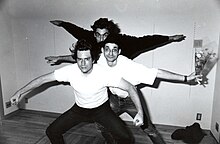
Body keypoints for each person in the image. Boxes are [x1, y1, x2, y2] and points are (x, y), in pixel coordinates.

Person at [10, 39, 144, 144]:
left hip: (102, 110)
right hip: (80, 110)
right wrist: (19, 92)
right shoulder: (70, 71)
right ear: (76, 59)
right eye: (79, 59)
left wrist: (140, 112)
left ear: (93, 59)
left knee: (126, 138)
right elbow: (43, 79)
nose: (83, 64)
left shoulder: (104, 73)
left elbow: (130, 87)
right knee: (51, 131)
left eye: (87, 59)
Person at [95, 35, 202, 144]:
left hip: (130, 99)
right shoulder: (99, 60)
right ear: (102, 50)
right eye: (107, 49)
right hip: (113, 99)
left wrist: (186, 78)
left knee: (150, 130)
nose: (110, 53)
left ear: (119, 52)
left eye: (114, 50)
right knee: (101, 124)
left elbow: (157, 73)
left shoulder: (127, 65)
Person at [45, 18, 186, 64]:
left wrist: (170, 38)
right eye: (97, 35)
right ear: (94, 33)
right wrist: (63, 24)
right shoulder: (90, 39)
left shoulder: (123, 42)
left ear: (110, 34)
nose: (100, 39)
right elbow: (76, 30)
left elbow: (146, 41)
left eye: (104, 35)